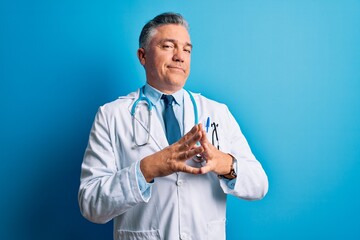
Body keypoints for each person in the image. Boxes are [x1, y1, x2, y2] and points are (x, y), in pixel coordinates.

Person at [78, 12, 268, 240]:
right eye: (168, 46)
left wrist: (224, 163)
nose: (180, 56)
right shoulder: (112, 116)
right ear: (142, 56)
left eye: (187, 50)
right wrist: (147, 169)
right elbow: (91, 204)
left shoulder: (217, 112)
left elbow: (259, 185)